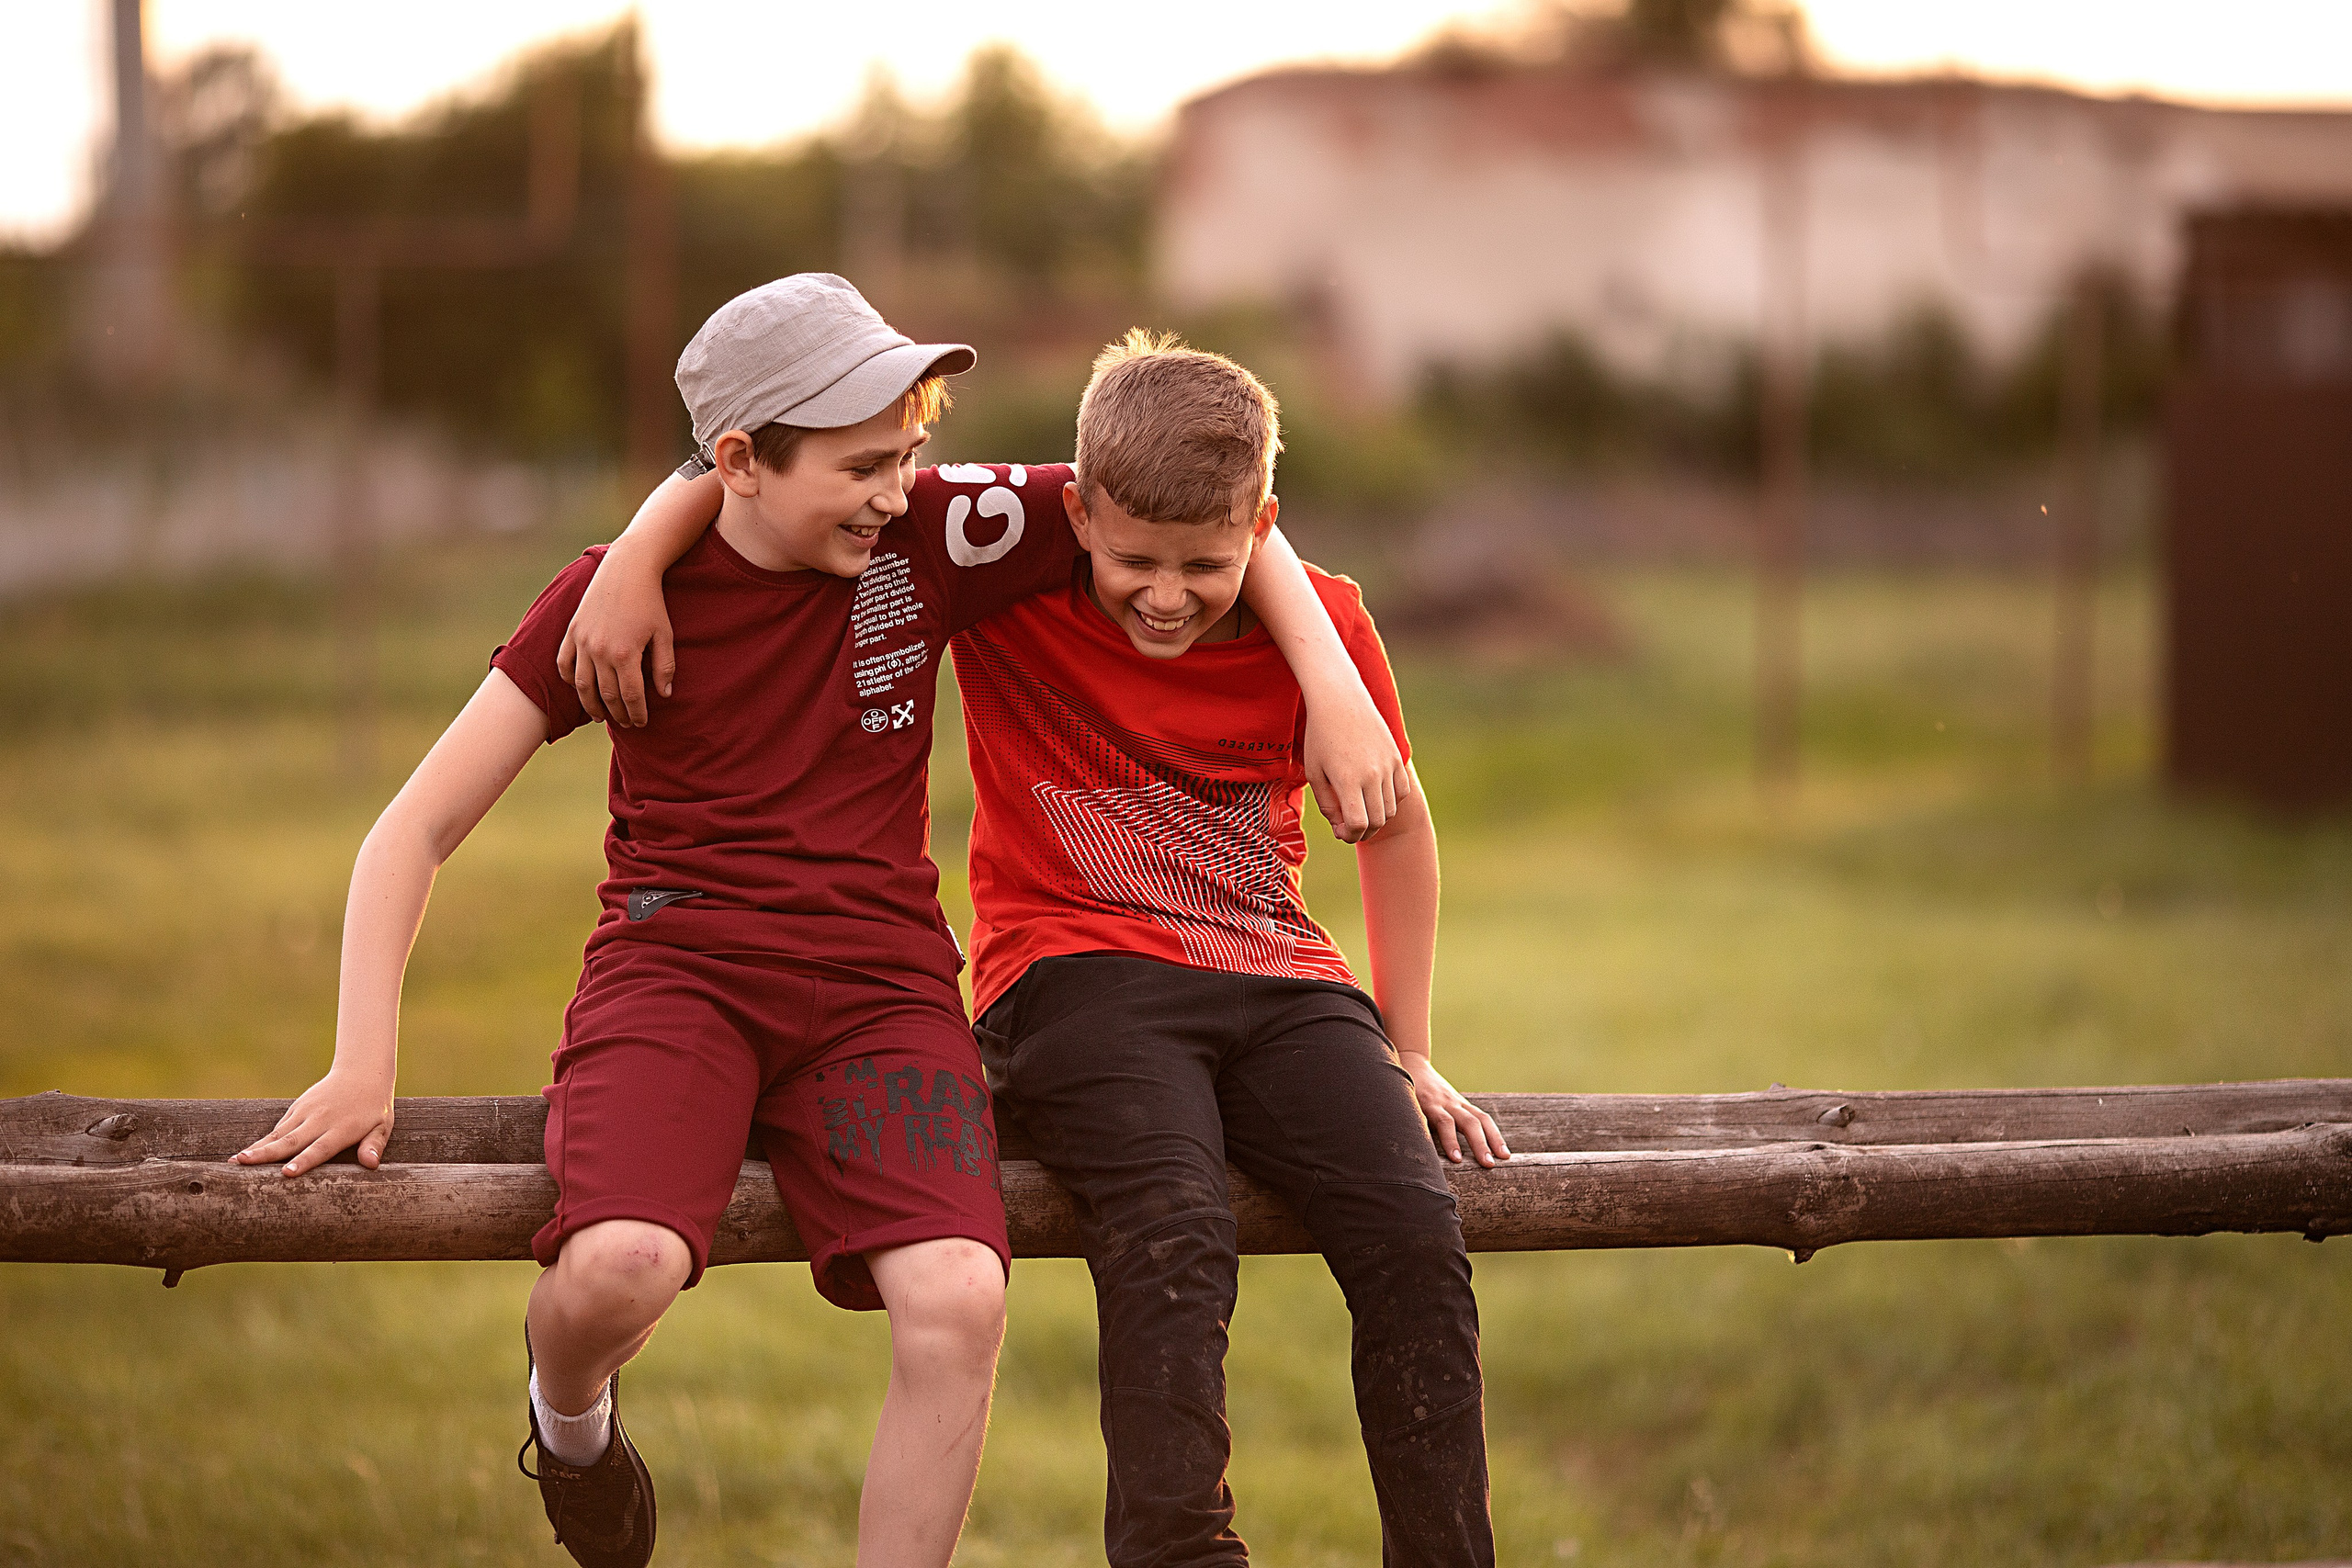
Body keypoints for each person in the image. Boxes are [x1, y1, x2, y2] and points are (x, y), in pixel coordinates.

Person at [232, 276, 1404, 1568]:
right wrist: (360, 1063)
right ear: (736, 460)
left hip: (880, 995)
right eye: (863, 467)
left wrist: (1331, 681)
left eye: (908, 455)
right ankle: (568, 1414)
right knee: (621, 1267)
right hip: (680, 975)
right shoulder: (607, 606)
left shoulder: (926, 535)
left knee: (959, 1294)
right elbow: (415, 829)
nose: (900, 489)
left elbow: (1174, 494)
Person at [564, 328, 1504, 1567]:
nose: (1165, 594)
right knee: (1173, 1227)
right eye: (1137, 561)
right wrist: (636, 551)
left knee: (1415, 1232)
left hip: (1282, 976)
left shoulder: (1318, 627)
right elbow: (776, 463)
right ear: (1082, 512)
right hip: (1077, 978)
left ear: (1259, 527)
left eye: (1205, 564)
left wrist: (1415, 1046)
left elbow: (1399, 825)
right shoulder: (1014, 580)